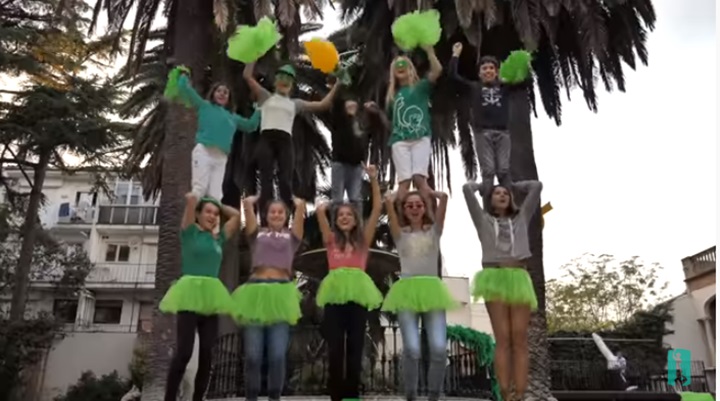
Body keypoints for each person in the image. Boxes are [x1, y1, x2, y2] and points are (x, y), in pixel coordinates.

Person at [462, 180, 543, 401]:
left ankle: (521, 392)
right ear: (490, 200)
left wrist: (513, 184)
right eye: (497, 193)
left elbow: (536, 187)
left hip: (518, 276)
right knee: (503, 337)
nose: (502, 195)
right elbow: (467, 190)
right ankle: (505, 393)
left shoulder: (521, 218)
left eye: (505, 193)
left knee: (519, 337)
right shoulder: (483, 220)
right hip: (493, 277)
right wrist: (483, 186)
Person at [159, 194, 241, 401]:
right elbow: (190, 204)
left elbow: (236, 216)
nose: (212, 216)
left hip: (211, 298)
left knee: (207, 353)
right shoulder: (189, 233)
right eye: (208, 212)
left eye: (215, 214)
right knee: (184, 352)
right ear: (198, 214)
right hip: (189, 295)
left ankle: (198, 398)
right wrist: (196, 200)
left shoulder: (218, 238)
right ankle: (169, 398)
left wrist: (217, 203)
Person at [315, 164, 383, 401]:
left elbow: (376, 209)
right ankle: (335, 393)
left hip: (358, 295)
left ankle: (352, 394)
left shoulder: (363, 240)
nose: (344, 217)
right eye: (341, 214)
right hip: (334, 296)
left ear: (355, 220)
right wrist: (322, 210)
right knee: (335, 348)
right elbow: (320, 214)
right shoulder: (331, 239)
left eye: (349, 214)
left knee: (355, 346)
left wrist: (373, 179)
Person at [381, 190, 456, 401]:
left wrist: (439, 197)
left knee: (439, 348)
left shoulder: (434, 231)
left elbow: (442, 207)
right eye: (410, 205)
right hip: (407, 291)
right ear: (404, 210)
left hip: (432, 291)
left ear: (424, 208)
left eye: (418, 204)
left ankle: (434, 395)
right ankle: (411, 395)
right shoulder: (400, 233)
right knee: (412, 349)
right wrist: (390, 201)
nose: (414, 208)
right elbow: (390, 207)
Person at [230, 195, 305, 401]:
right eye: (273, 211)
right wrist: (248, 203)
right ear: (267, 215)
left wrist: (300, 207)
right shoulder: (257, 235)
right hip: (255, 292)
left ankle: (274, 396)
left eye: (280, 212)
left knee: (277, 355)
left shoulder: (292, 238)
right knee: (253, 356)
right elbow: (249, 217)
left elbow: (299, 226)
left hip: (281, 293)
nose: (276, 214)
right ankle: (251, 397)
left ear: (285, 216)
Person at [243, 62, 340, 216]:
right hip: (266, 138)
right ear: (275, 81)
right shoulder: (265, 96)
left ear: (292, 85)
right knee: (266, 180)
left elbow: (323, 104)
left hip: (285, 141)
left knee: (285, 181)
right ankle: (264, 221)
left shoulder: (295, 104)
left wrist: (338, 83)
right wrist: (254, 57)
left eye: (288, 79)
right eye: (281, 78)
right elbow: (247, 76)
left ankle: (287, 220)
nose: (284, 82)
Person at [449, 42, 531, 193]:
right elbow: (454, 77)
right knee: (488, 171)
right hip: (483, 133)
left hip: (503, 133)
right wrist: (456, 55)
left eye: (491, 68)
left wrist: (525, 62)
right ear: (479, 73)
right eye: (484, 68)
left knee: (504, 171)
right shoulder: (474, 87)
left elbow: (524, 82)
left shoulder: (505, 87)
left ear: (497, 72)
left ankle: (508, 209)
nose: (488, 71)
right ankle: (488, 210)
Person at [177, 71, 260, 201]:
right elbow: (186, 90)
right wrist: (184, 75)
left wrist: (259, 110)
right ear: (213, 93)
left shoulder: (233, 117)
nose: (222, 94)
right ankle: (190, 219)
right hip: (203, 151)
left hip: (221, 157)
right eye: (219, 91)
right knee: (199, 189)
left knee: (216, 196)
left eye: (225, 92)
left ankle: (212, 221)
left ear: (229, 98)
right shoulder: (204, 105)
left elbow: (251, 126)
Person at [377, 47, 442, 207]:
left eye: (404, 64)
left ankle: (430, 218)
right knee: (404, 182)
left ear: (410, 69)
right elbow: (391, 124)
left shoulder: (421, 87)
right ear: (393, 73)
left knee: (420, 180)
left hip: (421, 137)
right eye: (397, 66)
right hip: (400, 140)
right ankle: (400, 222)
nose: (400, 67)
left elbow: (437, 70)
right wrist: (377, 112)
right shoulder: (393, 96)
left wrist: (430, 52)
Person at [329, 99, 370, 216]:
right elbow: (336, 105)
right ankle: (336, 227)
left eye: (354, 104)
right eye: (348, 104)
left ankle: (358, 228)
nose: (351, 106)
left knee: (355, 198)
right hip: (340, 163)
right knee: (337, 199)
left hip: (357, 164)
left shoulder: (360, 123)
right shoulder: (339, 120)